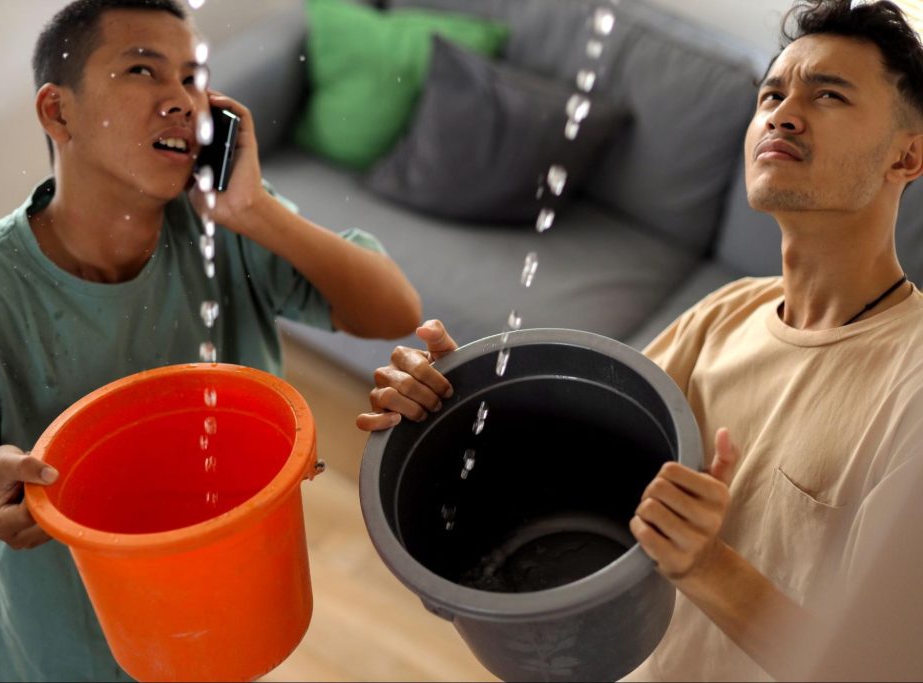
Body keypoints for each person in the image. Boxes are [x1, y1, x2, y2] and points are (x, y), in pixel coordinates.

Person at [357, 0, 923, 679]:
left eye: (828, 94)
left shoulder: (912, 385)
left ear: (908, 154)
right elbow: (567, 469)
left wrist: (708, 563)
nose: (783, 111)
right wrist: (450, 404)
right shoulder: (725, 313)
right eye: (772, 92)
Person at [0, 0, 421, 680]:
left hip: (233, 626)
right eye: (143, 70)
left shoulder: (228, 231)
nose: (181, 100)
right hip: (72, 656)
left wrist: (254, 208)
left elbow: (393, 309)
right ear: (59, 113)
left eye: (194, 79)